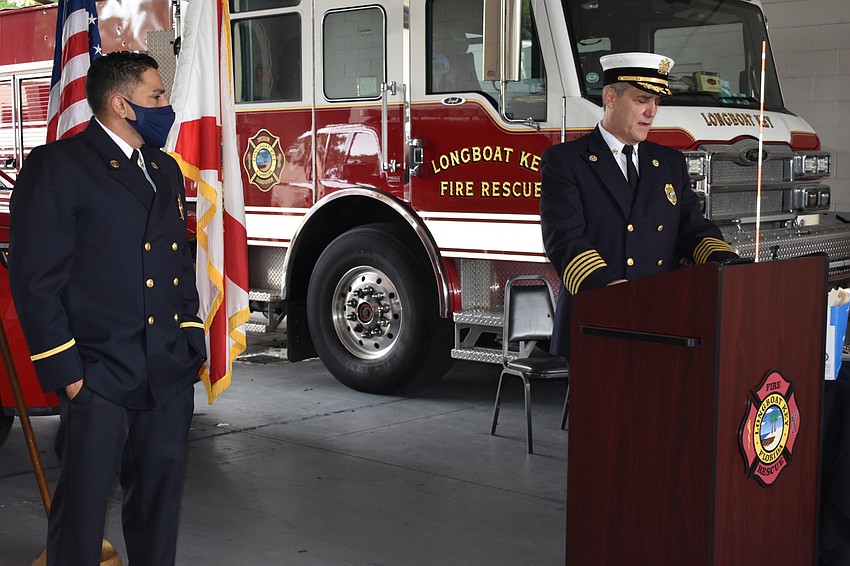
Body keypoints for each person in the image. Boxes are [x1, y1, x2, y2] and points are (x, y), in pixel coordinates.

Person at [9, 51, 206, 565]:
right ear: (122, 104)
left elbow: (178, 267)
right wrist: (70, 376)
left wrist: (192, 342)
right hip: (99, 374)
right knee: (81, 518)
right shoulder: (58, 167)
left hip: (166, 371)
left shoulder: (164, 169)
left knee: (159, 513)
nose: (167, 105)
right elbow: (36, 282)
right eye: (157, 96)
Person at [540, 52, 738, 357]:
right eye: (642, 99)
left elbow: (692, 228)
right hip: (599, 316)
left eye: (656, 102)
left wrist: (727, 262)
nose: (651, 111)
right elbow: (564, 239)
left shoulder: (669, 162)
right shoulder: (566, 160)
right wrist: (611, 290)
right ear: (610, 97)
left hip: (662, 320)